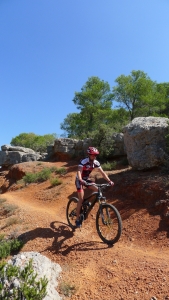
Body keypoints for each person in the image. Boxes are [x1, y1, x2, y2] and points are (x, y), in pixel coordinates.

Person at [75, 146, 114, 228]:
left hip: (86, 179)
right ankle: (77, 219)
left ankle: (87, 202)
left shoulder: (96, 162)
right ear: (89, 155)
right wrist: (81, 179)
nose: (94, 156)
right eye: (93, 155)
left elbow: (102, 173)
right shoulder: (84, 161)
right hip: (79, 180)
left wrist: (109, 181)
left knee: (97, 190)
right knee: (81, 199)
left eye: (95, 155)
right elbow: (79, 171)